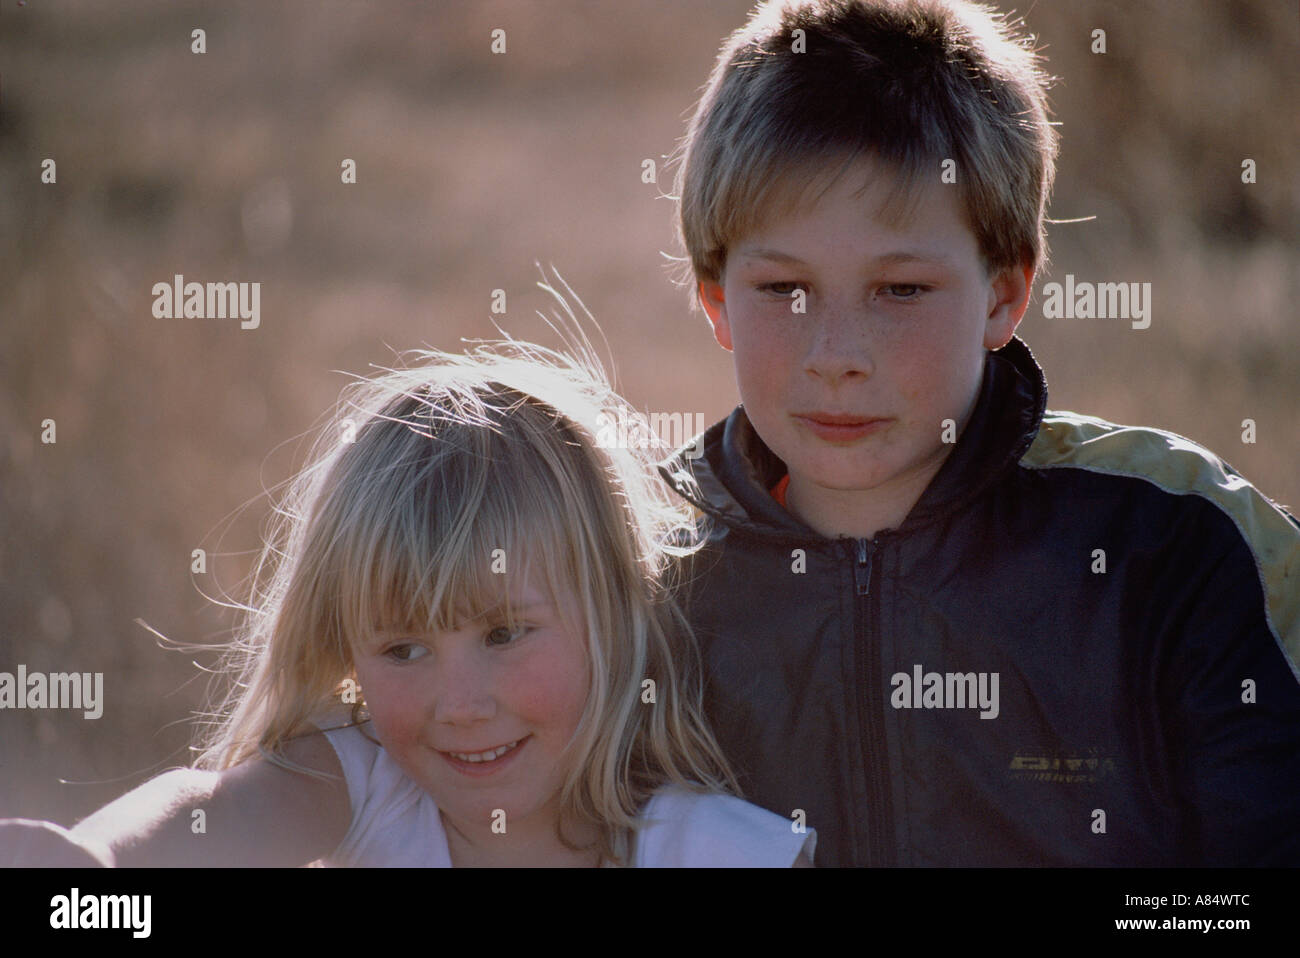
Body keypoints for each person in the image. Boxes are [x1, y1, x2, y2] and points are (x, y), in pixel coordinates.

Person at [657, 0, 1300, 866]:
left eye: (902, 291)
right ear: (716, 299)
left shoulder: (1174, 541)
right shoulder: (633, 569)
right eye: (784, 290)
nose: (837, 357)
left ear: (1004, 293)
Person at [0, 308, 815, 867]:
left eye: (503, 634)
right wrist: (93, 868)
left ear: (612, 608)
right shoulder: (370, 787)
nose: (458, 703)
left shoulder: (703, 847)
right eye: (403, 648)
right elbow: (209, 812)